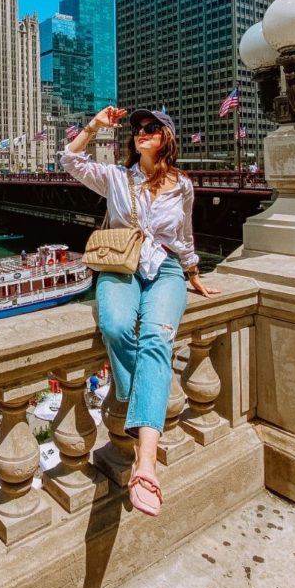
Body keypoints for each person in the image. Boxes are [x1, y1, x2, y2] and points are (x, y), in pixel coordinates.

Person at [60, 105, 220, 517]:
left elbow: (184, 234)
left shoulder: (183, 185)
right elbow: (70, 159)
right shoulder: (116, 177)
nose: (141, 133)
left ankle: (145, 463)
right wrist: (96, 125)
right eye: (137, 129)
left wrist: (193, 271)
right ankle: (142, 401)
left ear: (167, 137)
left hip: (165, 268)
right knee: (114, 324)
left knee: (157, 335)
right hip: (121, 263)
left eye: (151, 128)